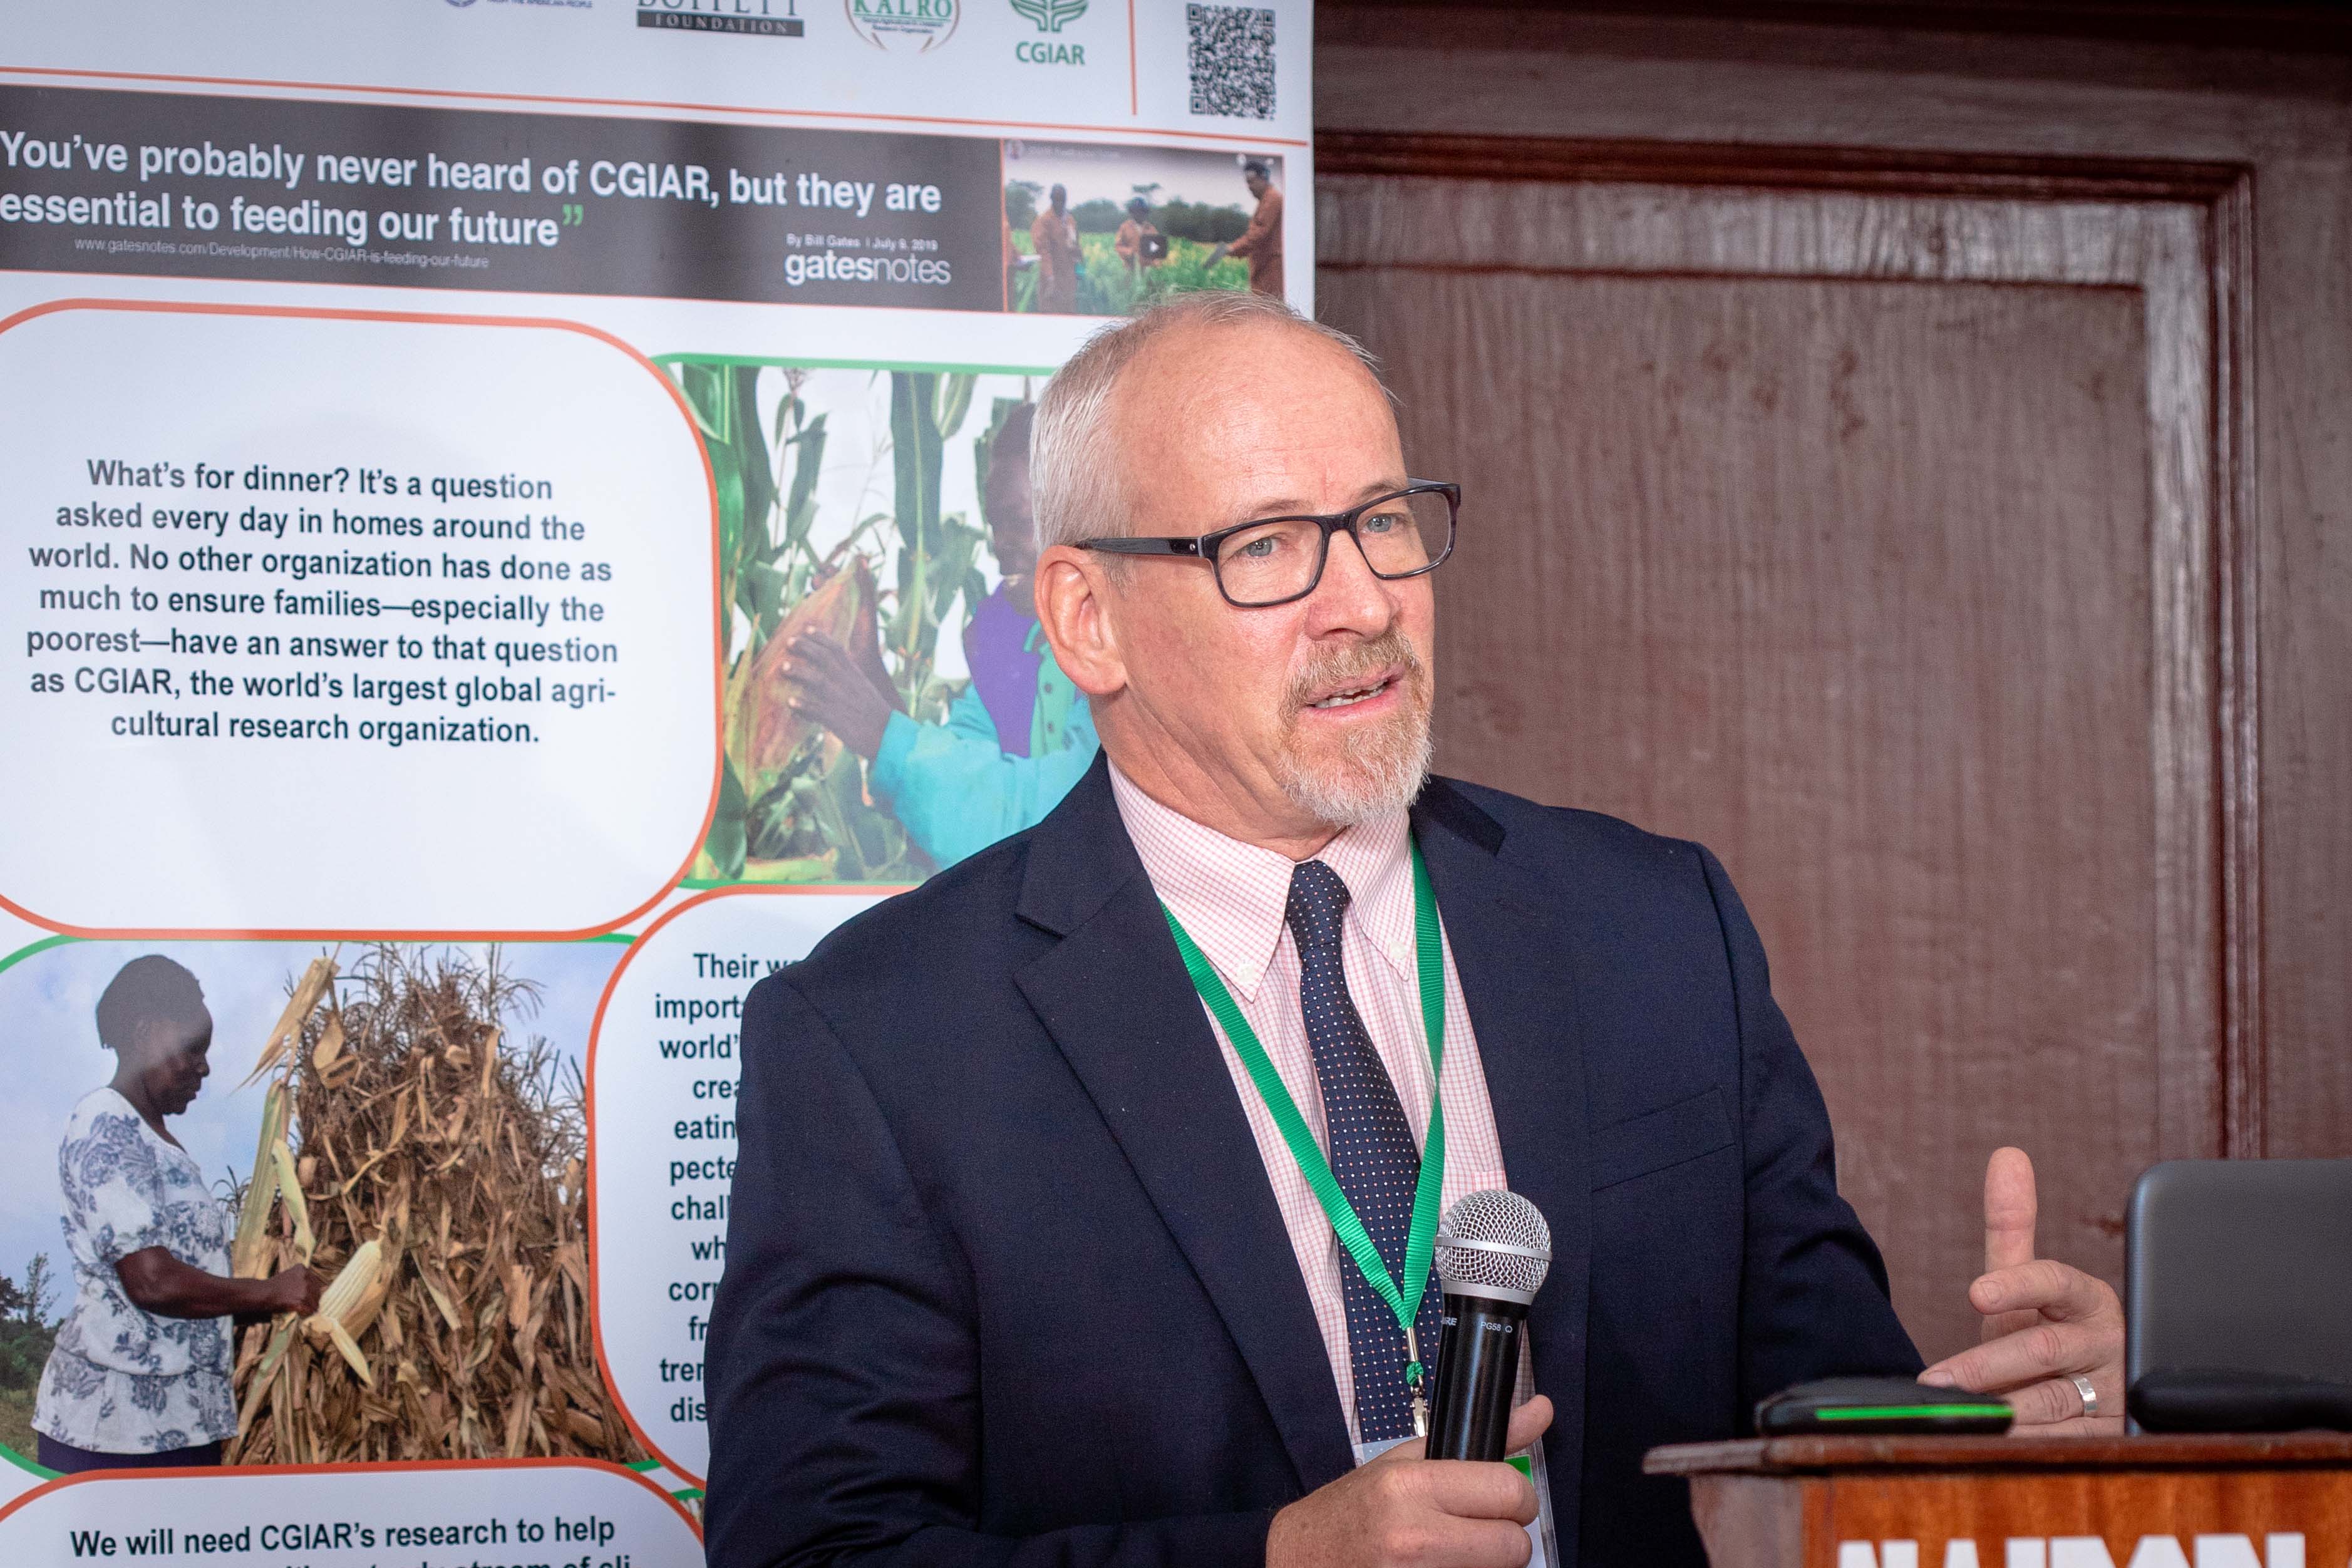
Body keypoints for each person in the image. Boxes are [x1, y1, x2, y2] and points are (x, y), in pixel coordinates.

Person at [705, 292, 2125, 1568]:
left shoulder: (1653, 929)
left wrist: (2006, 1461)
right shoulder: (882, 1039)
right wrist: (1275, 1559)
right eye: (1267, 544)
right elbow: (812, 1549)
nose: (1364, 600)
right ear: (1088, 620)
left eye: (1383, 520)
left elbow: (1827, 1452)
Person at [33, 956, 321, 1474]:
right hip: (116, 1432)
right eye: (194, 1050)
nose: (205, 1068)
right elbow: (152, 1282)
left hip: (181, 1425)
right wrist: (273, 1293)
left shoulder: (159, 1141)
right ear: (146, 1034)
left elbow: (194, 1287)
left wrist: (282, 1296)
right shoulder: (106, 1122)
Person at [780, 401, 1098, 869]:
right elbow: (944, 807)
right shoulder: (1011, 649)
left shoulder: (1139, 659)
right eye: (994, 525)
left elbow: (1047, 821)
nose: (997, 545)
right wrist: (867, 661)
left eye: (1017, 521)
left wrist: (876, 730)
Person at [1209, 159, 1285, 297]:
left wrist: (1232, 248)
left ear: (1263, 178)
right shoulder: (1266, 200)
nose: (1249, 187)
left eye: (1251, 181)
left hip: (1270, 270)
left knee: (1268, 312)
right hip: (1263, 269)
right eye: (1247, 182)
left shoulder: (1273, 199)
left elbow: (1259, 233)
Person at [1028, 182, 1080, 314]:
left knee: (1069, 311)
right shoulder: (1044, 220)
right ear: (1052, 199)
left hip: (1068, 276)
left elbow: (1076, 246)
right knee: (1050, 311)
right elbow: (1043, 251)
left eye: (1062, 199)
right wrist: (1050, 277)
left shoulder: (1070, 220)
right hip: (1052, 275)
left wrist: (1078, 266)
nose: (1060, 202)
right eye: (1057, 199)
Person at [1113, 196, 1165, 283]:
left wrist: (1157, 261)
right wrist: (1129, 252)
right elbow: (1118, 246)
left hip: (1148, 270)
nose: (1139, 214)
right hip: (1131, 269)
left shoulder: (1151, 228)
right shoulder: (1125, 227)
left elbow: (1158, 249)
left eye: (1141, 211)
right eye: (1136, 211)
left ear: (1145, 213)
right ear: (1132, 213)